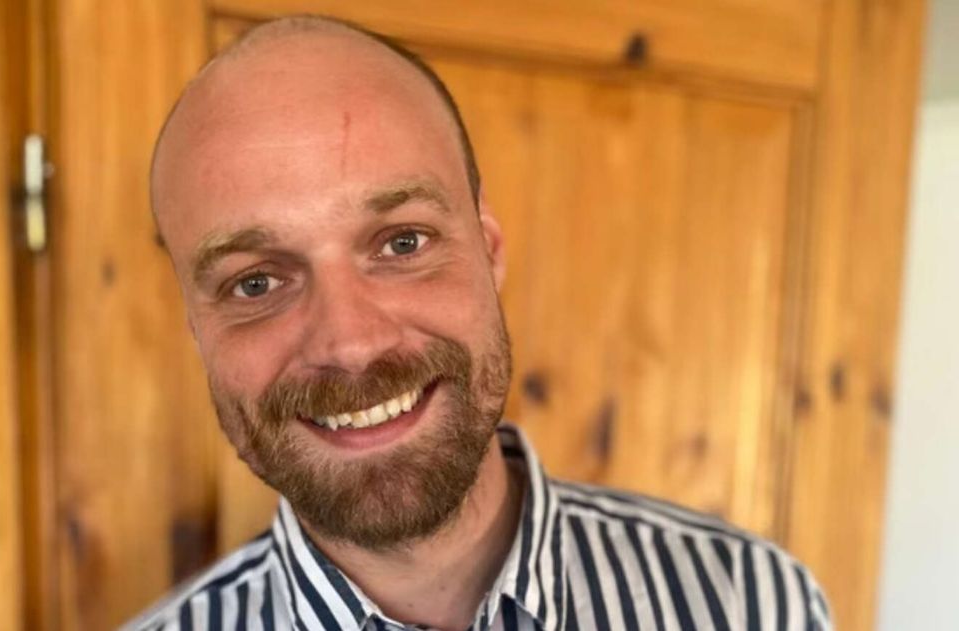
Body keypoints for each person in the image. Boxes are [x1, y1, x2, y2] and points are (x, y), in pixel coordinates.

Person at [128, 14, 831, 631]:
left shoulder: (752, 604)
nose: (351, 343)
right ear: (197, 328)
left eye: (403, 243)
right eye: (255, 282)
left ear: (489, 250)